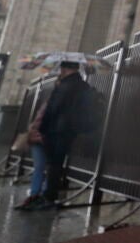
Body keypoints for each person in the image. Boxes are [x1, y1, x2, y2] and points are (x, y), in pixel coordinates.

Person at [36, 60, 96, 207]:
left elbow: (53, 108)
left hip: (57, 129)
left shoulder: (65, 85)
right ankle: (50, 192)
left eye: (62, 68)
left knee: (53, 162)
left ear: (65, 69)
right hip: (71, 129)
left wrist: (42, 128)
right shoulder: (83, 85)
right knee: (57, 161)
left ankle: (49, 195)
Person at [14, 103, 50, 210]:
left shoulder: (49, 103)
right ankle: (38, 195)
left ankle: (37, 195)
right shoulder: (50, 102)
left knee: (41, 168)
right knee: (45, 168)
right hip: (41, 138)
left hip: (40, 138)